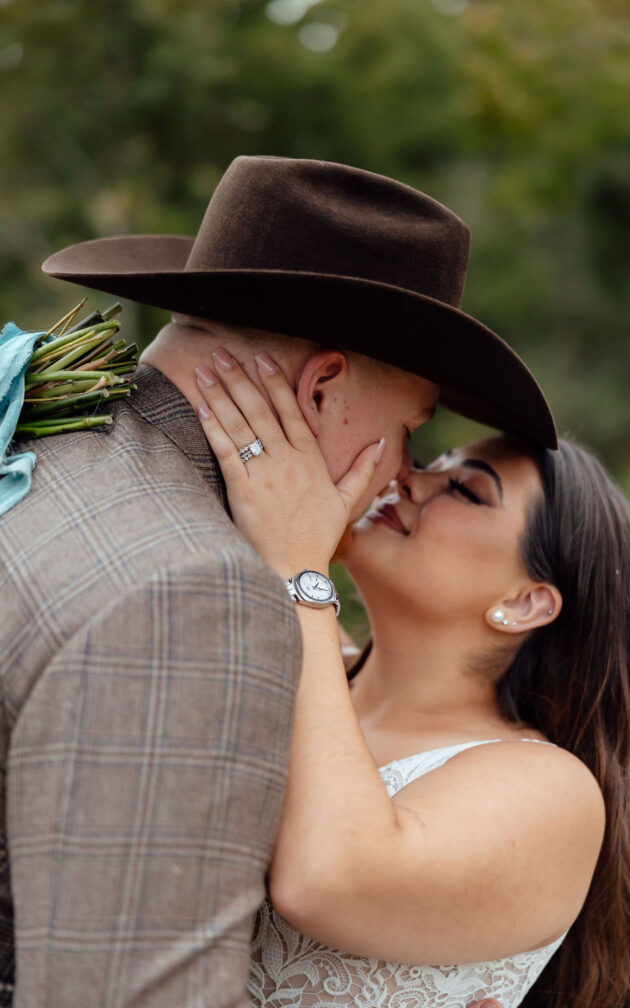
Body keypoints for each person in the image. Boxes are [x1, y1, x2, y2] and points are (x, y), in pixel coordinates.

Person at [0, 156, 555, 1006]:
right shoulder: (193, 598)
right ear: (325, 384)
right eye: (412, 431)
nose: (402, 475)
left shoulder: (47, 442)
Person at [193, 349, 630, 1008]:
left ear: (526, 602)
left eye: (464, 490)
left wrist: (297, 565)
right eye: (427, 464)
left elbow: (327, 880)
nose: (407, 482)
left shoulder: (549, 789)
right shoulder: (307, 661)